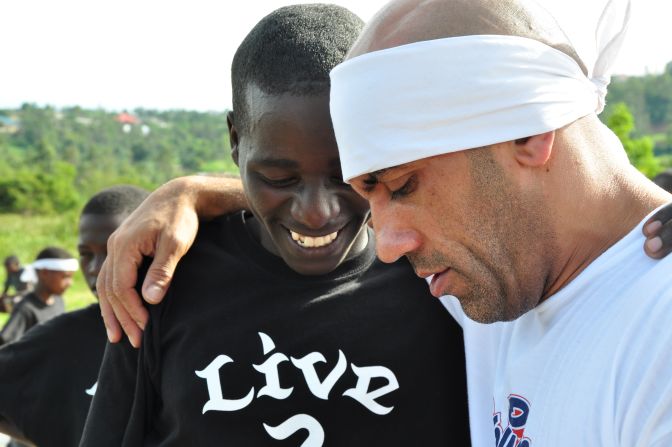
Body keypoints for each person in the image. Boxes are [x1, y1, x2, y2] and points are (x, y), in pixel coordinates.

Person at [81, 5, 468, 446]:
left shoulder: (440, 279)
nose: (316, 213)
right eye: (278, 179)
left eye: (347, 176)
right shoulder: (164, 281)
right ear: (234, 140)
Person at [326, 0, 672, 444]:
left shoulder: (658, 337)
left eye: (403, 186)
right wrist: (207, 193)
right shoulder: (507, 265)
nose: (387, 247)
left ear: (526, 133)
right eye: (368, 197)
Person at [0, 185, 149, 447]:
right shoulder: (64, 336)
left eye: (115, 250)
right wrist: (53, 434)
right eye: (86, 254)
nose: (96, 268)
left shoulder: (196, 324)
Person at [0, 247, 76, 346]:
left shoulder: (58, 301)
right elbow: (5, 344)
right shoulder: (26, 309)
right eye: (65, 277)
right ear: (44, 273)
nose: (70, 283)